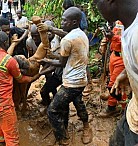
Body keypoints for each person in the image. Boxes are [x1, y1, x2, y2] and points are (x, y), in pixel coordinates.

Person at [39, 7, 92, 145]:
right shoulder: (81, 33)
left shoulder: (67, 40)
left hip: (72, 83)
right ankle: (82, 127)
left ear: (74, 22)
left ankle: (62, 139)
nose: (61, 22)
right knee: (75, 103)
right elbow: (69, 54)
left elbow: (61, 63)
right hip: (80, 79)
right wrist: (50, 30)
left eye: (64, 20)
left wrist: (47, 60)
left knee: (52, 110)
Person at [0, 31, 40, 146]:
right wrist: (35, 77)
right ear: (5, 42)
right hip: (3, 103)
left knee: (1, 122)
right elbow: (20, 79)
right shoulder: (9, 60)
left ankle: (1, 142)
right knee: (12, 137)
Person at [94, 0, 138, 145]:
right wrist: (127, 73)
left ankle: (113, 107)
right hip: (133, 112)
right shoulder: (128, 23)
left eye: (95, 2)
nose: (96, 7)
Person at [99, 20, 127, 118]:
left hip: (122, 58)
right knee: (114, 81)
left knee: (114, 84)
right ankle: (121, 106)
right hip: (114, 56)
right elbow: (113, 35)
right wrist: (106, 39)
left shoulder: (132, 21)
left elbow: (128, 40)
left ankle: (113, 107)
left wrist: (113, 38)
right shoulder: (119, 21)